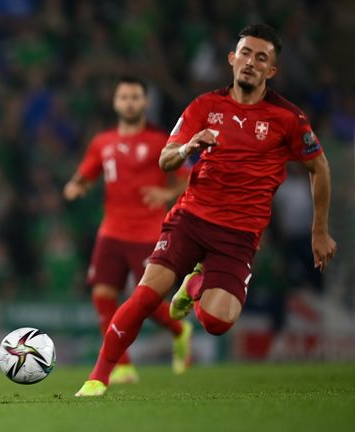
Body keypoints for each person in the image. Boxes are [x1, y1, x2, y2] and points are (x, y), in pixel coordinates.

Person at [75, 23, 337, 397]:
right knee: (147, 295)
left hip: (239, 236)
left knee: (216, 322)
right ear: (232, 59)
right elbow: (166, 160)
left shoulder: (287, 119)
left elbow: (319, 166)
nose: (250, 62)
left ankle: (196, 283)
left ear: (271, 71)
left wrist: (319, 230)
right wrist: (188, 148)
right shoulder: (204, 106)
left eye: (261, 58)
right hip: (190, 220)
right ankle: (98, 378)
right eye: (245, 53)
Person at [64, 77, 192, 392]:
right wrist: (76, 186)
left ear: (145, 103)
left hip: (149, 232)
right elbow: (85, 174)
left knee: (144, 301)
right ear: (115, 103)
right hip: (111, 232)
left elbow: (187, 179)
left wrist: (167, 195)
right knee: (102, 297)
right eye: (124, 97)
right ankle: (121, 366)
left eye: (136, 97)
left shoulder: (161, 140)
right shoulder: (102, 142)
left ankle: (179, 330)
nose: (130, 102)